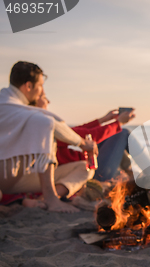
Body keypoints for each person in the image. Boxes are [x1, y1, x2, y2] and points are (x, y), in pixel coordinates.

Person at [0, 61, 96, 213]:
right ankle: (51, 200)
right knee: (44, 125)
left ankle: (45, 199)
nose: (41, 91)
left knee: (85, 168)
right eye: (40, 86)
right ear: (28, 86)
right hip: (6, 175)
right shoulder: (7, 105)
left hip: (15, 178)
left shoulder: (17, 108)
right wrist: (83, 143)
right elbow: (50, 122)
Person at [33, 94, 136, 181]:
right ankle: (148, 171)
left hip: (84, 167)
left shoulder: (38, 124)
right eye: (43, 97)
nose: (48, 101)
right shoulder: (46, 126)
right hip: (88, 172)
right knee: (122, 134)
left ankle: (132, 173)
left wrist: (103, 120)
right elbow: (90, 136)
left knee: (112, 136)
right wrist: (119, 122)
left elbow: (73, 132)